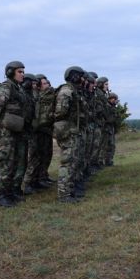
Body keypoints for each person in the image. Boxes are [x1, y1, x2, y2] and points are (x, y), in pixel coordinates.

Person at [0, 61, 28, 207]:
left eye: (23, 72)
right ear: (10, 72)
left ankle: (9, 192)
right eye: (19, 72)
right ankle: (1, 196)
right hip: (5, 132)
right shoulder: (6, 87)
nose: (22, 74)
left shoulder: (18, 88)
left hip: (16, 131)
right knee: (5, 164)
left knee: (14, 163)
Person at [54, 66, 86, 203]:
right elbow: (61, 112)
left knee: (73, 162)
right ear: (74, 76)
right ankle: (64, 194)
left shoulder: (73, 91)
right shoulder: (66, 91)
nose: (83, 79)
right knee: (67, 163)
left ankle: (70, 190)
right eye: (80, 76)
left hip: (73, 131)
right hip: (68, 131)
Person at [35, 74, 55, 185]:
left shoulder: (49, 96)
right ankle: (36, 178)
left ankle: (43, 176)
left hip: (47, 130)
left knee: (48, 154)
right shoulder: (37, 96)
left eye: (47, 83)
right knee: (39, 156)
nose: (47, 85)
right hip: (39, 130)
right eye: (44, 83)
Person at [104, 92, 120, 166]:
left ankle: (109, 160)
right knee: (109, 145)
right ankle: (107, 161)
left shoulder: (112, 107)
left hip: (111, 128)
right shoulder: (107, 107)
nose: (114, 100)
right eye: (113, 99)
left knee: (112, 145)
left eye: (115, 99)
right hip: (107, 128)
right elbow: (109, 118)